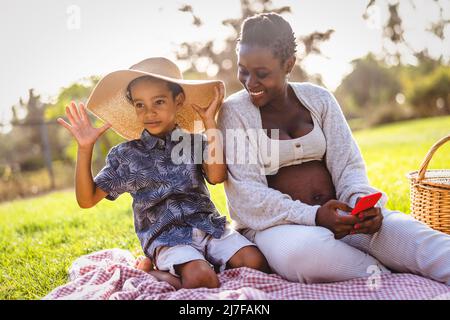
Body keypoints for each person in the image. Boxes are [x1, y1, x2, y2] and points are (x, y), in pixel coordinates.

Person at [217, 13, 450, 285]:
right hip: (276, 228)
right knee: (310, 255)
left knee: (416, 238)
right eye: (243, 69)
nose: (249, 82)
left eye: (262, 74)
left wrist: (361, 206)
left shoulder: (320, 99)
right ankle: (402, 285)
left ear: (288, 64)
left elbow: (349, 166)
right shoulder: (234, 111)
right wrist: (314, 216)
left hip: (342, 216)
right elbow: (248, 196)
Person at [57, 57, 270, 290]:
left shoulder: (193, 143)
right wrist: (85, 148)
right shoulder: (127, 155)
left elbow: (217, 177)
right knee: (202, 279)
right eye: (140, 104)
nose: (149, 112)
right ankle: (154, 273)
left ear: (177, 101)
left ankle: (187, 269)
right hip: (166, 238)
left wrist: (210, 122)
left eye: (158, 102)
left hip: (208, 227)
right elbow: (87, 200)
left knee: (255, 262)